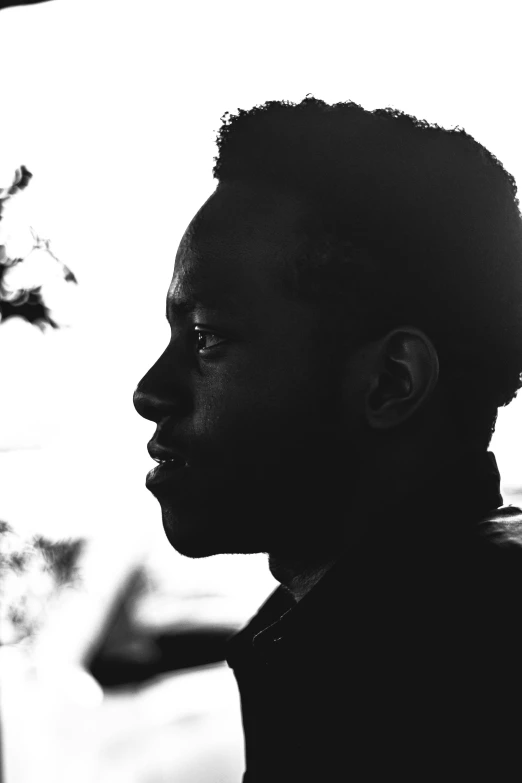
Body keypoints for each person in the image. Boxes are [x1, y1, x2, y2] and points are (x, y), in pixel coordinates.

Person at [133, 96, 522, 781]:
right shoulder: (377, 626)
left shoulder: (437, 678)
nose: (149, 391)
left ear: (390, 381)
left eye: (206, 337)